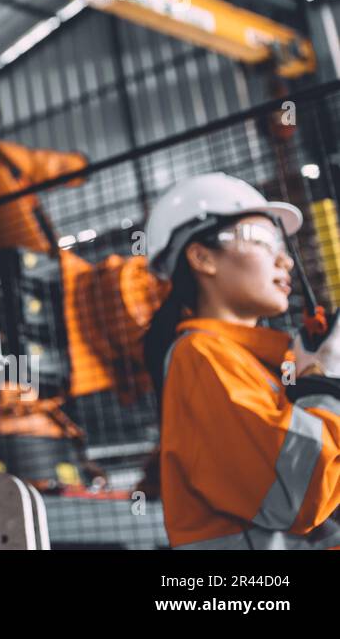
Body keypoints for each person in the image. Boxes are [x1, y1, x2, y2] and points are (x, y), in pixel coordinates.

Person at [143, 172, 340, 549]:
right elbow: (296, 498)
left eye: (281, 245)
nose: (285, 260)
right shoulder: (199, 357)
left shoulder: (258, 363)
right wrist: (325, 382)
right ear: (202, 257)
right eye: (264, 241)